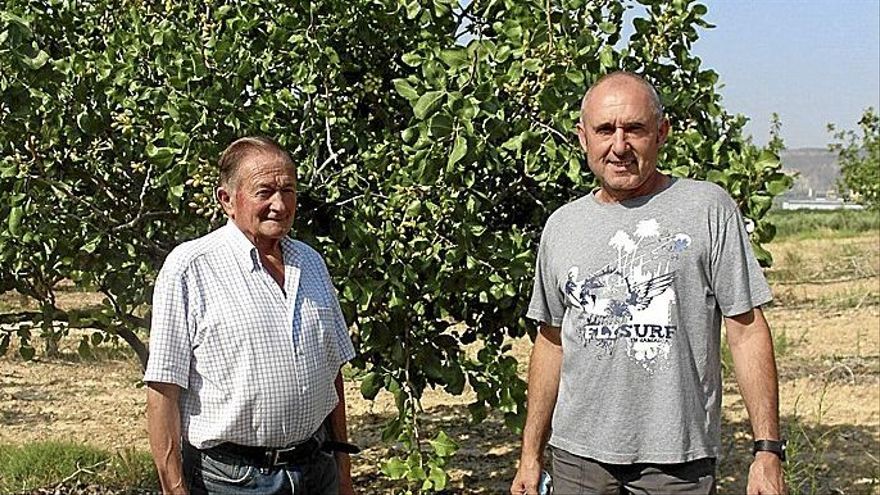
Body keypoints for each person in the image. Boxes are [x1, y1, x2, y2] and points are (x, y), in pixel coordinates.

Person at [510, 72, 786, 494]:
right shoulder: (562, 226)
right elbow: (551, 341)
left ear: (661, 133)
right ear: (583, 138)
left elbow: (746, 330)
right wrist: (531, 456)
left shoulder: (708, 209)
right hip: (577, 461)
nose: (619, 146)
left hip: (678, 463)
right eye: (605, 130)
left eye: (634, 129)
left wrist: (767, 451)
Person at [145, 136, 357, 495]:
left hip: (316, 470)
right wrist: (175, 488)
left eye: (288, 190)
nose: (279, 204)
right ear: (226, 200)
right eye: (265, 192)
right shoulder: (190, 268)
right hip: (234, 481)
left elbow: (331, 370)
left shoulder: (311, 263)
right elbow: (163, 388)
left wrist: (342, 471)